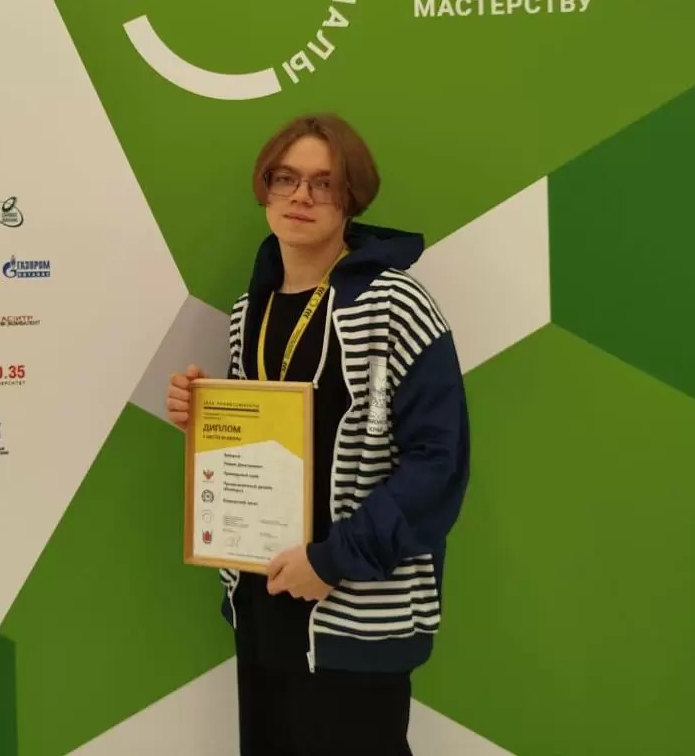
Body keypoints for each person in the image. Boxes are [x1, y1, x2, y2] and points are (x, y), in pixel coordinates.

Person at [166, 114, 470, 756]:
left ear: (351, 198)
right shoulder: (249, 311)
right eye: (286, 179)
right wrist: (205, 418)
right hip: (263, 604)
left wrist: (333, 561)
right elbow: (260, 441)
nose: (301, 196)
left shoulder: (395, 305)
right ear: (265, 188)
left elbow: (437, 464)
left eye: (323, 183)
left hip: (356, 615)